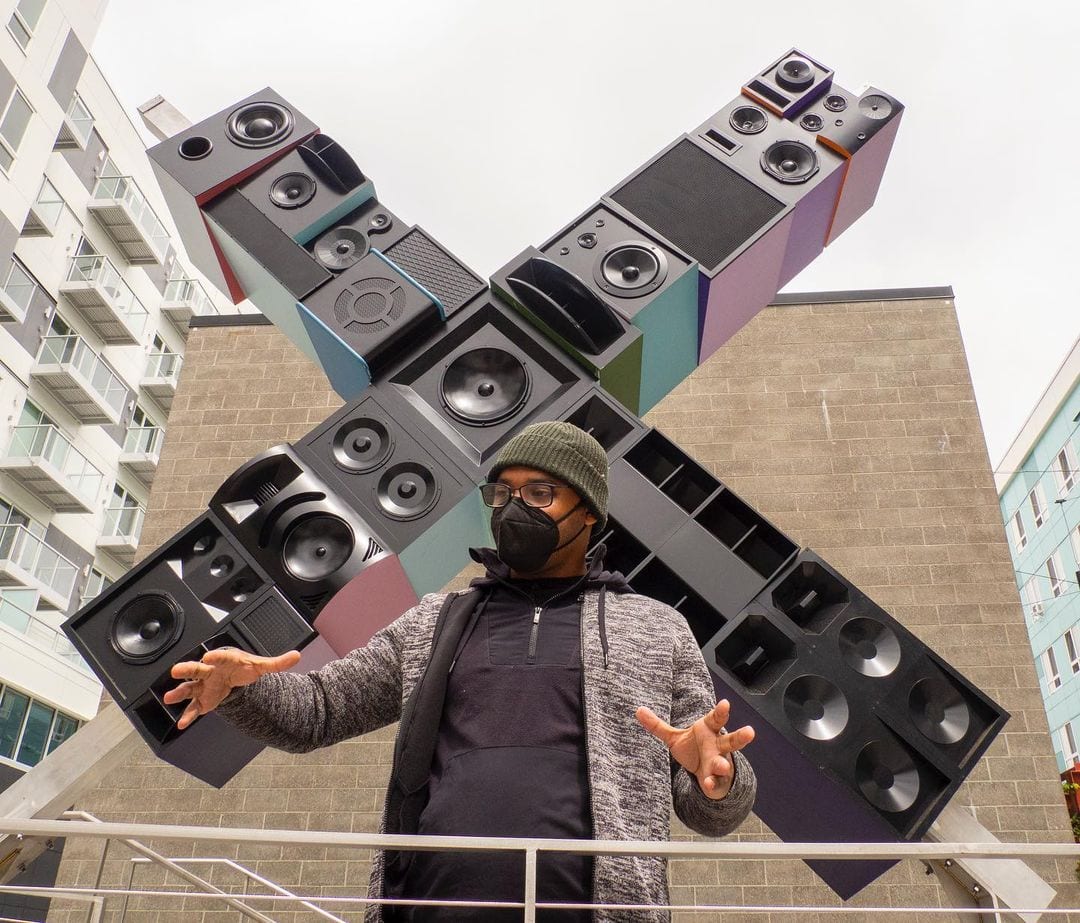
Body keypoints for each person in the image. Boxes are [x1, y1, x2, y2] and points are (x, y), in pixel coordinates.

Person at [166, 421, 757, 922]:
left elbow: (711, 806)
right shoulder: (433, 620)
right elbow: (319, 711)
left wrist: (719, 777)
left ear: (588, 512)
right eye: (503, 494)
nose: (514, 508)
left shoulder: (657, 628)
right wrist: (243, 689)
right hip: (431, 907)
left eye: (540, 493)